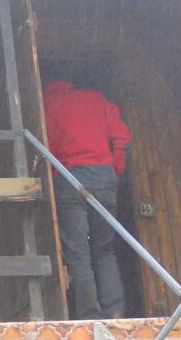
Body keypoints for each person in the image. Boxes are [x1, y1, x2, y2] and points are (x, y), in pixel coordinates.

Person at [41, 78, 132, 319]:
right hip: (103, 177)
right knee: (104, 249)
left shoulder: (45, 105)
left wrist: (53, 179)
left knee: (78, 253)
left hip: (69, 179)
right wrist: (115, 172)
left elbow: (45, 148)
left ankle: (90, 316)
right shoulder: (97, 99)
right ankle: (115, 311)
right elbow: (121, 140)